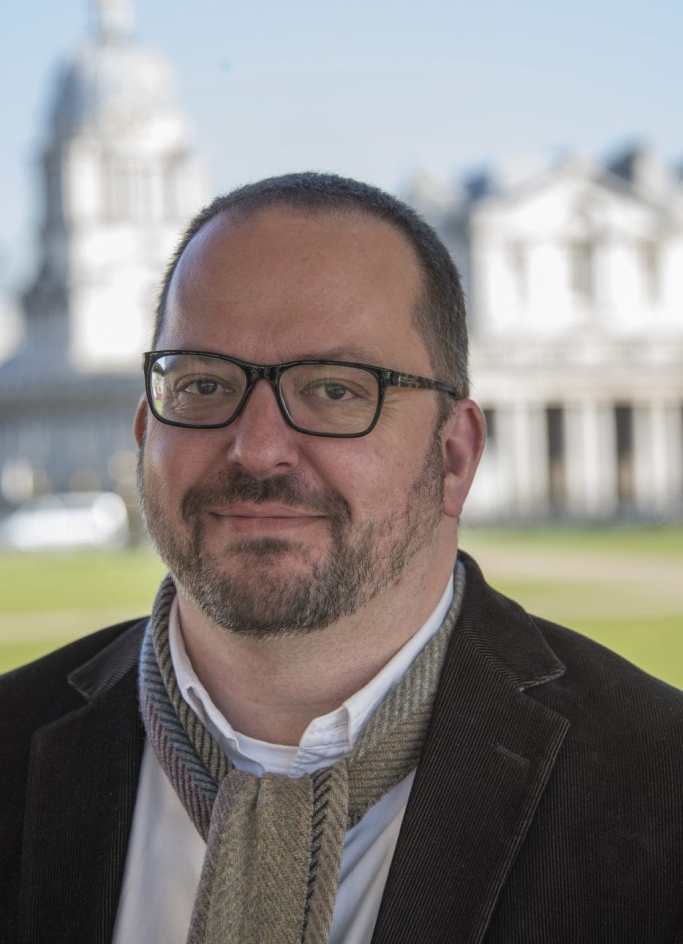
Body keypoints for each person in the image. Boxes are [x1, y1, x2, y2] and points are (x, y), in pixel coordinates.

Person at [1, 173, 681, 944]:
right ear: (144, 434)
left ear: (454, 455)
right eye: (204, 384)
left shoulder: (659, 784)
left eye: (334, 389)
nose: (257, 448)